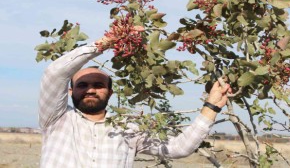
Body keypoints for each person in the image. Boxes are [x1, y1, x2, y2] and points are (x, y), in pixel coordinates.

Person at [38, 38, 231, 168]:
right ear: (70, 91)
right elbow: (54, 73)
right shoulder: (56, 119)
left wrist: (211, 106)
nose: (90, 90)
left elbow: (178, 148)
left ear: (110, 92)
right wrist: (104, 44)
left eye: (98, 85)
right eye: (82, 85)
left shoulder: (128, 127)